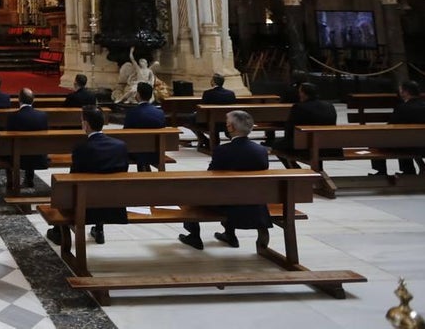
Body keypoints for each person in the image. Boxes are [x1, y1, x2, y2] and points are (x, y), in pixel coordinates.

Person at [179, 109, 272, 250]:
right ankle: (229, 234)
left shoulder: (223, 150)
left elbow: (211, 176)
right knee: (231, 191)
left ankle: (194, 235)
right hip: (255, 200)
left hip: (226, 203)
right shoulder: (261, 151)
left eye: (228, 124)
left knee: (191, 192)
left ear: (231, 128)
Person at [46, 106, 129, 246]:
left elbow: (74, 177)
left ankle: (58, 231)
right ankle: (99, 228)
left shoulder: (81, 148)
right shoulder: (120, 146)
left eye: (82, 120)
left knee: (71, 190)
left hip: (85, 204)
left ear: (86, 124)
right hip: (114, 204)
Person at [0, 88, 48, 188]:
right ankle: (29, 179)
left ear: (19, 100)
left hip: (17, 157)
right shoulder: (43, 116)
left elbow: (7, 137)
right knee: (31, 144)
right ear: (33, 100)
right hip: (38, 156)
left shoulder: (13, 116)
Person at [371, 81, 425, 177]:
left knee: (378, 140)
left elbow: (390, 126)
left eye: (401, 90)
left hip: (407, 146)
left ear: (406, 92)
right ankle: (408, 170)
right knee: (404, 138)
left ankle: (381, 171)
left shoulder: (402, 108)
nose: (400, 92)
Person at [272, 81, 337, 167]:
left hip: (305, 146)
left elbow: (290, 128)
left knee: (276, 145)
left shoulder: (299, 107)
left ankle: (295, 169)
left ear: (303, 94)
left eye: (300, 92)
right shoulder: (329, 106)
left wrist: (286, 139)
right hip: (330, 145)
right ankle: (318, 169)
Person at [122, 82, 166, 171]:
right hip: (157, 151)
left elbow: (125, 134)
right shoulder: (160, 112)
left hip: (136, 152)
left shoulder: (132, 113)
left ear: (138, 95)